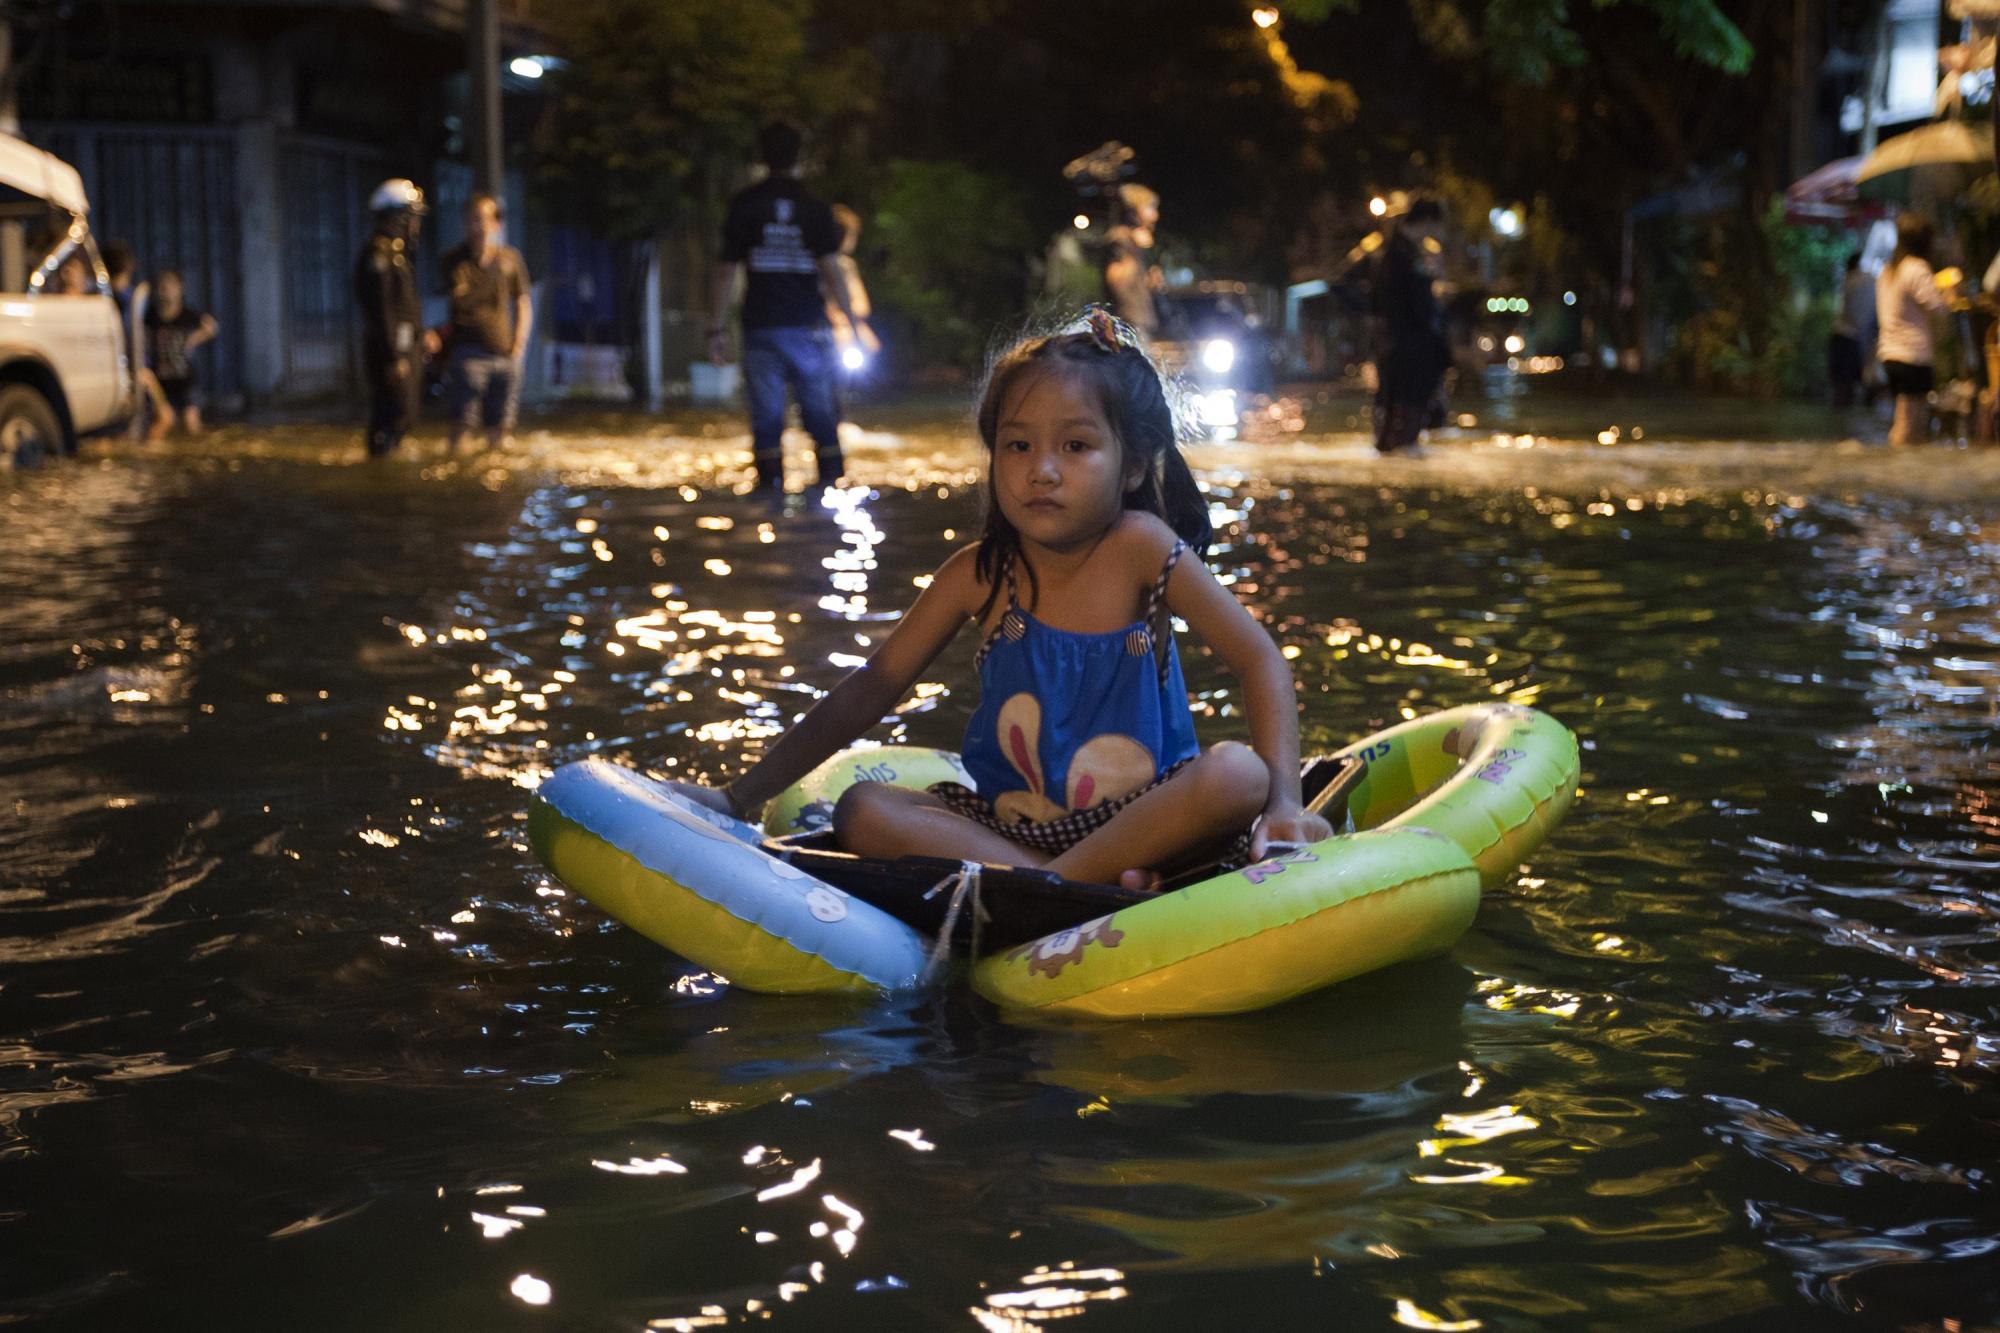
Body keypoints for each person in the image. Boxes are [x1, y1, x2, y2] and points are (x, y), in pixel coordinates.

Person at [667, 308, 1332, 891]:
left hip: (1144, 818)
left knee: (1236, 775)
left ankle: (1058, 883)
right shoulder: (982, 573)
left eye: (1075, 446)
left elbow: (1258, 659)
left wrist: (1282, 801)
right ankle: (1069, 882)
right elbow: (873, 686)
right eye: (1018, 445)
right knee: (863, 807)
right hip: (1011, 827)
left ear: (1132, 464)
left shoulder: (1141, 546)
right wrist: (739, 794)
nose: (1041, 469)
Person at [709, 121, 864, 491]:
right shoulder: (814, 208)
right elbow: (833, 270)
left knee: (766, 419)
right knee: (821, 414)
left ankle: (770, 497)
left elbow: (725, 271)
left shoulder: (746, 205)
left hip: (761, 327)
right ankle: (829, 490)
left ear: (761, 155)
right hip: (808, 329)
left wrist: (715, 328)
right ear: (801, 156)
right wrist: (854, 327)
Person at [436, 192, 532, 452]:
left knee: (501, 429)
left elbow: (523, 302)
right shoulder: (454, 261)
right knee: (462, 427)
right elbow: (458, 300)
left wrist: (519, 345)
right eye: (473, 220)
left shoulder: (510, 259)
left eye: (485, 220)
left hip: (504, 354)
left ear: (496, 224)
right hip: (468, 355)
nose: (479, 226)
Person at [354, 178, 439, 458]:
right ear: (398, 216)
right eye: (412, 217)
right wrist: (393, 357)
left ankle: (387, 457)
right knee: (393, 412)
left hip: (403, 347)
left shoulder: (398, 254)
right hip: (391, 351)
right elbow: (382, 310)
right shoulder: (380, 254)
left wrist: (419, 334)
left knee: (404, 413)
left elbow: (402, 306)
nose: (416, 225)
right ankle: (380, 467)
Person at [1370, 196, 1451, 456]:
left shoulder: (1400, 252)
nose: (1439, 233)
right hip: (1409, 348)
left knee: (1397, 415)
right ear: (1428, 222)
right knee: (1405, 416)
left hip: (1401, 347)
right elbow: (1414, 308)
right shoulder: (1402, 256)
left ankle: (1398, 445)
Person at [1877, 212, 1961, 447]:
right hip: (1912, 354)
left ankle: (1900, 468)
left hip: (1889, 353)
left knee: (1904, 417)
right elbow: (1937, 306)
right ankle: (1898, 473)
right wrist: (1951, 293)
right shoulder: (1916, 268)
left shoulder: (1888, 270)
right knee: (1910, 421)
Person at [142, 269, 218, 439]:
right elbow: (140, 333)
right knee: (162, 422)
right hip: (160, 379)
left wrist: (193, 339)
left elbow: (211, 326)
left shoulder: (187, 314)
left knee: (191, 422)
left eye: (171, 286)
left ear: (180, 289)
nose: (166, 290)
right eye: (163, 286)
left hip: (185, 379)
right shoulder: (152, 316)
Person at [824, 203, 880, 395]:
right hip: (823, 329)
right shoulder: (816, 263)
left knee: (871, 349)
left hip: (846, 328)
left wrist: (847, 318)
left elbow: (862, 305)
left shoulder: (847, 266)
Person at [1101, 182, 1162, 338]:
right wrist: (1135, 251)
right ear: (1133, 210)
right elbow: (1117, 279)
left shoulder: (1132, 240)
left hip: (1139, 318)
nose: (1155, 216)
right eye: (1150, 208)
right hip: (1127, 320)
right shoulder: (1120, 237)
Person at [1829, 252, 1874, 408]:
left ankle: (1841, 407)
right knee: (1847, 379)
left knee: (1842, 380)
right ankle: (1843, 406)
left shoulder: (1850, 281)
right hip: (1852, 336)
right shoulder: (1861, 280)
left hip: (1844, 334)